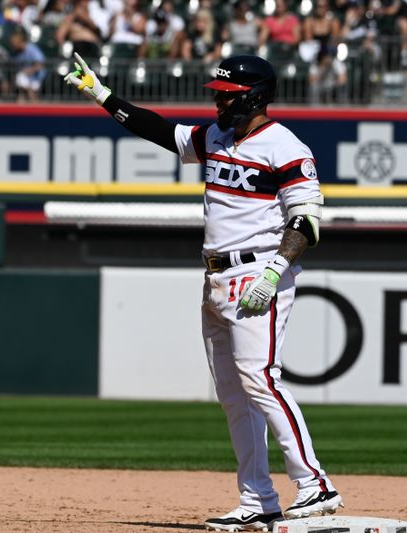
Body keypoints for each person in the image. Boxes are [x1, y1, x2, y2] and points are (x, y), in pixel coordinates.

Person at [64, 52, 343, 532]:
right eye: (217, 95)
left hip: (259, 273)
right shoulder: (216, 137)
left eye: (228, 96)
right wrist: (101, 94)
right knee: (234, 394)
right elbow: (159, 131)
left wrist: (275, 271)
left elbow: (306, 221)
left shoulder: (284, 146)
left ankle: (314, 482)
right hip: (215, 276)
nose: (219, 103)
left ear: (254, 96)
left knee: (261, 378)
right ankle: (258, 497)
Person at [9, 24, 44, 101]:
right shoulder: (15, 52)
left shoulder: (31, 49)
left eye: (15, 40)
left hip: (35, 78)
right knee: (20, 79)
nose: (12, 42)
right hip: (26, 80)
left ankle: (33, 100)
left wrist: (26, 71)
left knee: (20, 76)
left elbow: (40, 66)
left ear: (21, 39)